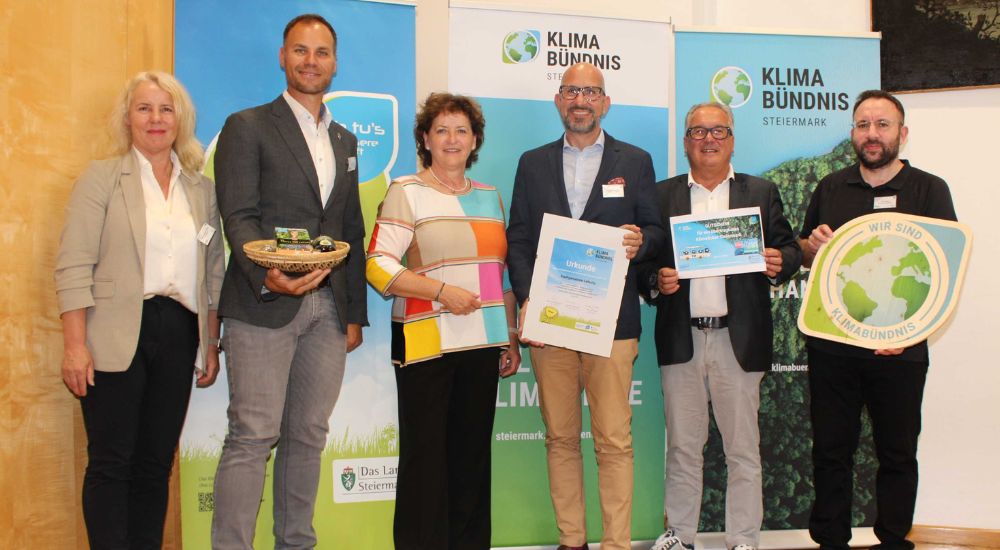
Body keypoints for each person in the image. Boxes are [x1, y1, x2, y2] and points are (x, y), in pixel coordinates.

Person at [210, 14, 367, 549]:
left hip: (328, 311)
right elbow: (239, 217)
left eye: (321, 52)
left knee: (307, 437)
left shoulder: (345, 140)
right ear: (283, 57)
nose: (310, 61)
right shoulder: (247, 125)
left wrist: (353, 313)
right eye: (300, 51)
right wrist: (268, 277)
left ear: (334, 62)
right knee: (253, 436)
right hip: (261, 304)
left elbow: (350, 228)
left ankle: (295, 543)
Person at [55, 70, 224, 549]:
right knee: (111, 463)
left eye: (166, 109)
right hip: (112, 334)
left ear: (181, 120)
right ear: (127, 119)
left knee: (155, 465)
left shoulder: (201, 190)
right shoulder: (101, 179)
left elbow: (213, 273)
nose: (155, 119)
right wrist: (74, 346)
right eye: (144, 108)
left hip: (179, 333)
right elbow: (72, 266)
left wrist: (210, 344)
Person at [506, 62, 665, 550]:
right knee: (559, 438)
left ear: (606, 102)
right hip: (551, 322)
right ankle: (571, 541)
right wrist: (530, 299)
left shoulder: (635, 160)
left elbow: (656, 231)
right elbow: (518, 238)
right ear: (559, 100)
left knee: (614, 441)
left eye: (590, 92)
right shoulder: (532, 162)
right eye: (572, 91)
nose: (581, 100)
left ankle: (616, 544)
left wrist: (642, 242)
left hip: (613, 324)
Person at [638, 102, 801, 550]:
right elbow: (644, 265)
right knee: (683, 448)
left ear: (731, 139)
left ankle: (743, 538)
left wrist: (778, 261)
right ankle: (680, 534)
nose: (708, 139)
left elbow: (790, 250)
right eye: (698, 131)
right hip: (681, 338)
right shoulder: (662, 194)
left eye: (718, 131)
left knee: (742, 450)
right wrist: (657, 279)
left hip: (739, 339)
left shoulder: (761, 192)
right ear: (686, 140)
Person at [799, 90, 956, 550]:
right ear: (853, 133)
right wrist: (812, 245)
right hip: (833, 347)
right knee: (831, 450)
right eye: (863, 124)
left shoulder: (930, 190)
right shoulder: (829, 187)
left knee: (897, 453)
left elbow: (942, 272)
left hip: (901, 349)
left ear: (902, 134)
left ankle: (893, 540)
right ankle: (830, 540)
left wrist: (909, 334)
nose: (872, 134)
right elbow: (807, 253)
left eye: (882, 124)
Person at [366, 92, 520, 550]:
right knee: (425, 464)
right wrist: (440, 293)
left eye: (461, 130)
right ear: (425, 139)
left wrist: (509, 337)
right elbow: (377, 265)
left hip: (482, 345)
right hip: (425, 345)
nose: (452, 139)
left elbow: (501, 276)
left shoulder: (491, 198)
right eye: (442, 130)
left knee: (472, 463)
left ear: (475, 140)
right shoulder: (405, 191)